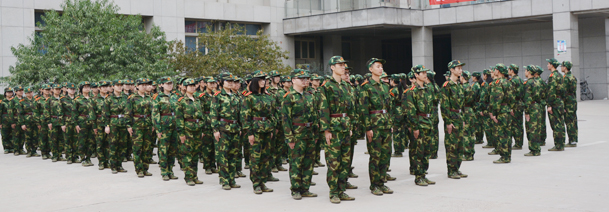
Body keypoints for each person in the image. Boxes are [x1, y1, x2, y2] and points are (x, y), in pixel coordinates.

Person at [319, 56, 356, 204]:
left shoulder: (346, 86)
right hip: (333, 128)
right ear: (332, 67)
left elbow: (350, 109)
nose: (343, 67)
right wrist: (326, 130)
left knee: (345, 161)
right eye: (340, 65)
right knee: (334, 162)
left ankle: (341, 190)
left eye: (344, 65)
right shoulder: (326, 86)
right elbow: (323, 109)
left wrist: (351, 126)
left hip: (345, 127)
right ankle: (333, 192)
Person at [359, 58, 395, 195]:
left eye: (381, 67)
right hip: (374, 126)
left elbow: (389, 107)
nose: (381, 69)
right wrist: (368, 128)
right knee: (375, 156)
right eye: (378, 66)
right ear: (370, 69)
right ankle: (374, 185)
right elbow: (364, 110)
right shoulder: (366, 87)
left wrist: (390, 123)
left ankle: (382, 182)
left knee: (386, 156)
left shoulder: (385, 86)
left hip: (385, 124)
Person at [282, 69, 319, 200]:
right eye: (301, 78)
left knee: (309, 162)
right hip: (297, 135)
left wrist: (315, 133)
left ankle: (305, 188)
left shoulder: (310, 95)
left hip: (309, 134)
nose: (305, 80)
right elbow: (285, 119)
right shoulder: (289, 97)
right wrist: (289, 138)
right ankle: (296, 189)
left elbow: (315, 115)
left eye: (306, 78)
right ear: (293, 80)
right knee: (296, 162)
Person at [241, 70, 276, 194]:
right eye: (260, 80)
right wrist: (249, 133)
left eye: (264, 80)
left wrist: (271, 128)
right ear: (255, 82)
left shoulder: (268, 96)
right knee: (255, 158)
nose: (263, 82)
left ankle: (263, 182)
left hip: (267, 129)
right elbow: (245, 117)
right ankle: (256, 183)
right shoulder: (249, 97)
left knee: (266, 158)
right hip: (255, 130)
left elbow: (271, 114)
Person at [403, 65, 435, 186]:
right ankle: (418, 176)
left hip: (428, 122)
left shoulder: (427, 89)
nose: (424, 74)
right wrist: (414, 127)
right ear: (416, 75)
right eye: (421, 73)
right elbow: (411, 112)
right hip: (419, 123)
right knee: (419, 151)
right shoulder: (411, 91)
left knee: (427, 150)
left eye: (425, 72)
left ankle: (423, 174)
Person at [211, 73, 243, 190]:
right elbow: (214, 114)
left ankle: (232, 179)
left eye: (231, 81)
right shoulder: (218, 96)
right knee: (223, 156)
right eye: (227, 81)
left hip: (234, 128)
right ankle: (224, 181)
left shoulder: (235, 96)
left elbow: (239, 114)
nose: (230, 83)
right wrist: (215, 130)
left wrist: (240, 127)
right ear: (221, 82)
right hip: (223, 128)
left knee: (233, 155)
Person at [440, 60, 467, 178]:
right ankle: (451, 170)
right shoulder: (447, 86)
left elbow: (463, 104)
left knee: (460, 145)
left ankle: (457, 168)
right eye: (458, 68)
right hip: (452, 117)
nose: (460, 70)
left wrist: (464, 119)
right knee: (452, 145)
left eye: (461, 68)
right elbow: (444, 106)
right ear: (452, 70)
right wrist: (448, 122)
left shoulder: (459, 85)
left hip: (459, 117)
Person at [176, 78, 205, 186]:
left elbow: (202, 116)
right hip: (187, 130)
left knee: (195, 155)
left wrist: (201, 128)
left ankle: (195, 176)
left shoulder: (197, 100)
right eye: (190, 86)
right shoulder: (181, 101)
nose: (192, 87)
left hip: (197, 130)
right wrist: (181, 133)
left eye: (193, 85)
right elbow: (179, 119)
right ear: (185, 87)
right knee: (187, 155)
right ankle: (188, 177)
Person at [152, 77, 179, 181]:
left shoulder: (175, 96)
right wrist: (158, 129)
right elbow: (155, 114)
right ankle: (164, 171)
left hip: (174, 126)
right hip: (164, 127)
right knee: (164, 150)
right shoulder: (157, 97)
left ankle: (171, 170)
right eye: (167, 83)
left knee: (173, 150)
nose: (169, 85)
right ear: (161, 85)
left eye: (171, 83)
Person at [127, 78, 154, 178]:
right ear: (137, 86)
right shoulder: (132, 98)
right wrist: (129, 126)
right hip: (137, 125)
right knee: (137, 148)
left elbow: (152, 112)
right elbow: (128, 113)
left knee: (147, 148)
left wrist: (153, 124)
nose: (144, 86)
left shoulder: (149, 97)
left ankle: (145, 168)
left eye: (145, 85)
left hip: (147, 124)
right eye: (142, 85)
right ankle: (139, 170)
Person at [489, 64, 513, 163]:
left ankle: (504, 157)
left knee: (502, 134)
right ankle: (508, 155)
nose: (494, 71)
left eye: (495, 69)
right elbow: (511, 97)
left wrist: (494, 112)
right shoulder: (508, 82)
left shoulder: (498, 82)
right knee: (507, 134)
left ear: (498, 71)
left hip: (501, 111)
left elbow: (497, 98)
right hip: (507, 109)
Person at [545, 58, 567, 151]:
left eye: (548, 64)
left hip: (554, 103)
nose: (547, 65)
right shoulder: (560, 75)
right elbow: (563, 91)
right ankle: (561, 143)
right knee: (560, 123)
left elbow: (551, 91)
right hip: (560, 101)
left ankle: (558, 145)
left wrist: (549, 105)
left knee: (556, 124)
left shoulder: (553, 76)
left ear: (552, 65)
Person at [200, 77, 219, 174]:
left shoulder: (217, 95)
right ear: (205, 84)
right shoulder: (202, 96)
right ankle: (207, 166)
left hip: (215, 123)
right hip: (207, 123)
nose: (212, 85)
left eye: (214, 83)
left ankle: (213, 165)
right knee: (207, 146)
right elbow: (201, 111)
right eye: (210, 83)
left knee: (214, 146)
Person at [523, 65, 543, 156]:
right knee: (536, 128)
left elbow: (527, 99)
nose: (525, 72)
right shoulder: (537, 82)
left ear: (529, 72)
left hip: (531, 107)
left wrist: (526, 112)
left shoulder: (528, 83)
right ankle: (537, 148)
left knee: (531, 129)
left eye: (526, 70)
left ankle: (534, 150)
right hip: (537, 106)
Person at [75, 81, 96, 166]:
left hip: (91, 122)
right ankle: (83, 158)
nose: (87, 88)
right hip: (82, 122)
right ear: (81, 89)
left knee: (91, 141)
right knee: (82, 141)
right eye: (85, 87)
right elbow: (74, 113)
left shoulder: (92, 99)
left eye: (88, 87)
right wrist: (76, 124)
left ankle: (88, 157)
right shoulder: (77, 100)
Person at [17, 86, 40, 158]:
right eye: (28, 93)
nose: (30, 94)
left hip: (35, 121)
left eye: (31, 92)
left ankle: (34, 150)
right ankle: (29, 151)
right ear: (25, 93)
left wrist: (39, 122)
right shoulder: (22, 102)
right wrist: (22, 123)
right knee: (28, 136)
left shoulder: (36, 101)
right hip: (27, 121)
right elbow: (20, 114)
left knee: (35, 136)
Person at [95, 81, 111, 170]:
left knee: (108, 143)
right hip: (99, 124)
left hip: (109, 123)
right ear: (99, 88)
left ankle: (107, 161)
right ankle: (101, 162)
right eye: (103, 87)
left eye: (106, 87)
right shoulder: (95, 99)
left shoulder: (110, 98)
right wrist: (94, 126)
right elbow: (92, 113)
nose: (105, 88)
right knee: (100, 143)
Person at [62, 83, 80, 164]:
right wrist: (62, 124)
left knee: (76, 140)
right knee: (68, 140)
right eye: (70, 89)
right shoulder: (63, 99)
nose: (72, 90)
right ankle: (69, 157)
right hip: (67, 122)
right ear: (67, 90)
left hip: (76, 122)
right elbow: (60, 112)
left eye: (73, 89)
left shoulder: (78, 99)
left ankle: (75, 156)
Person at [561, 61, 578, 147]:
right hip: (573, 100)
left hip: (568, 101)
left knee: (569, 121)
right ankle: (574, 139)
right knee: (573, 120)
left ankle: (572, 141)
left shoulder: (566, 78)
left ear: (565, 67)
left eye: (562, 66)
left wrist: (563, 104)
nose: (561, 67)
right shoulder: (573, 77)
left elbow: (564, 92)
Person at [508, 64, 524, 150]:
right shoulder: (520, 80)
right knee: (519, 124)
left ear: (512, 71)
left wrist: (511, 107)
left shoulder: (512, 81)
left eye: (509, 69)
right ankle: (519, 142)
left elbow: (512, 95)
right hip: (520, 103)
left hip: (515, 104)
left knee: (515, 125)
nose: (508, 71)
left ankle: (518, 144)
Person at [461, 71, 476, 161]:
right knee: (471, 134)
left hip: (465, 111)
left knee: (465, 133)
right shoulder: (471, 87)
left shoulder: (462, 88)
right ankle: (471, 152)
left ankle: (467, 154)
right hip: (471, 111)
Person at [37, 84, 52, 159]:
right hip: (42, 121)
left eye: (49, 89)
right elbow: (36, 112)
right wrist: (38, 122)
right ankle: (43, 153)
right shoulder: (38, 100)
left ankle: (48, 152)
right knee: (43, 137)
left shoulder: (52, 99)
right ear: (42, 90)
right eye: (46, 89)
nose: (47, 91)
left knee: (50, 137)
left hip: (50, 120)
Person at [10, 86, 25, 156]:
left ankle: (21, 148)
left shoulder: (24, 99)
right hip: (16, 120)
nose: (21, 92)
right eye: (19, 91)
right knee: (16, 135)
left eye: (22, 90)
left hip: (23, 120)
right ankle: (16, 149)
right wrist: (12, 122)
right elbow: (10, 112)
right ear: (15, 92)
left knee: (22, 135)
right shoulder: (13, 100)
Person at [1, 87, 14, 154]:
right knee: (5, 134)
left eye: (11, 92)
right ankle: (6, 148)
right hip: (4, 120)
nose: (10, 93)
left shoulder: (14, 101)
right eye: (8, 92)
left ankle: (12, 147)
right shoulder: (2, 102)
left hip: (13, 120)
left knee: (12, 133)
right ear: (5, 93)